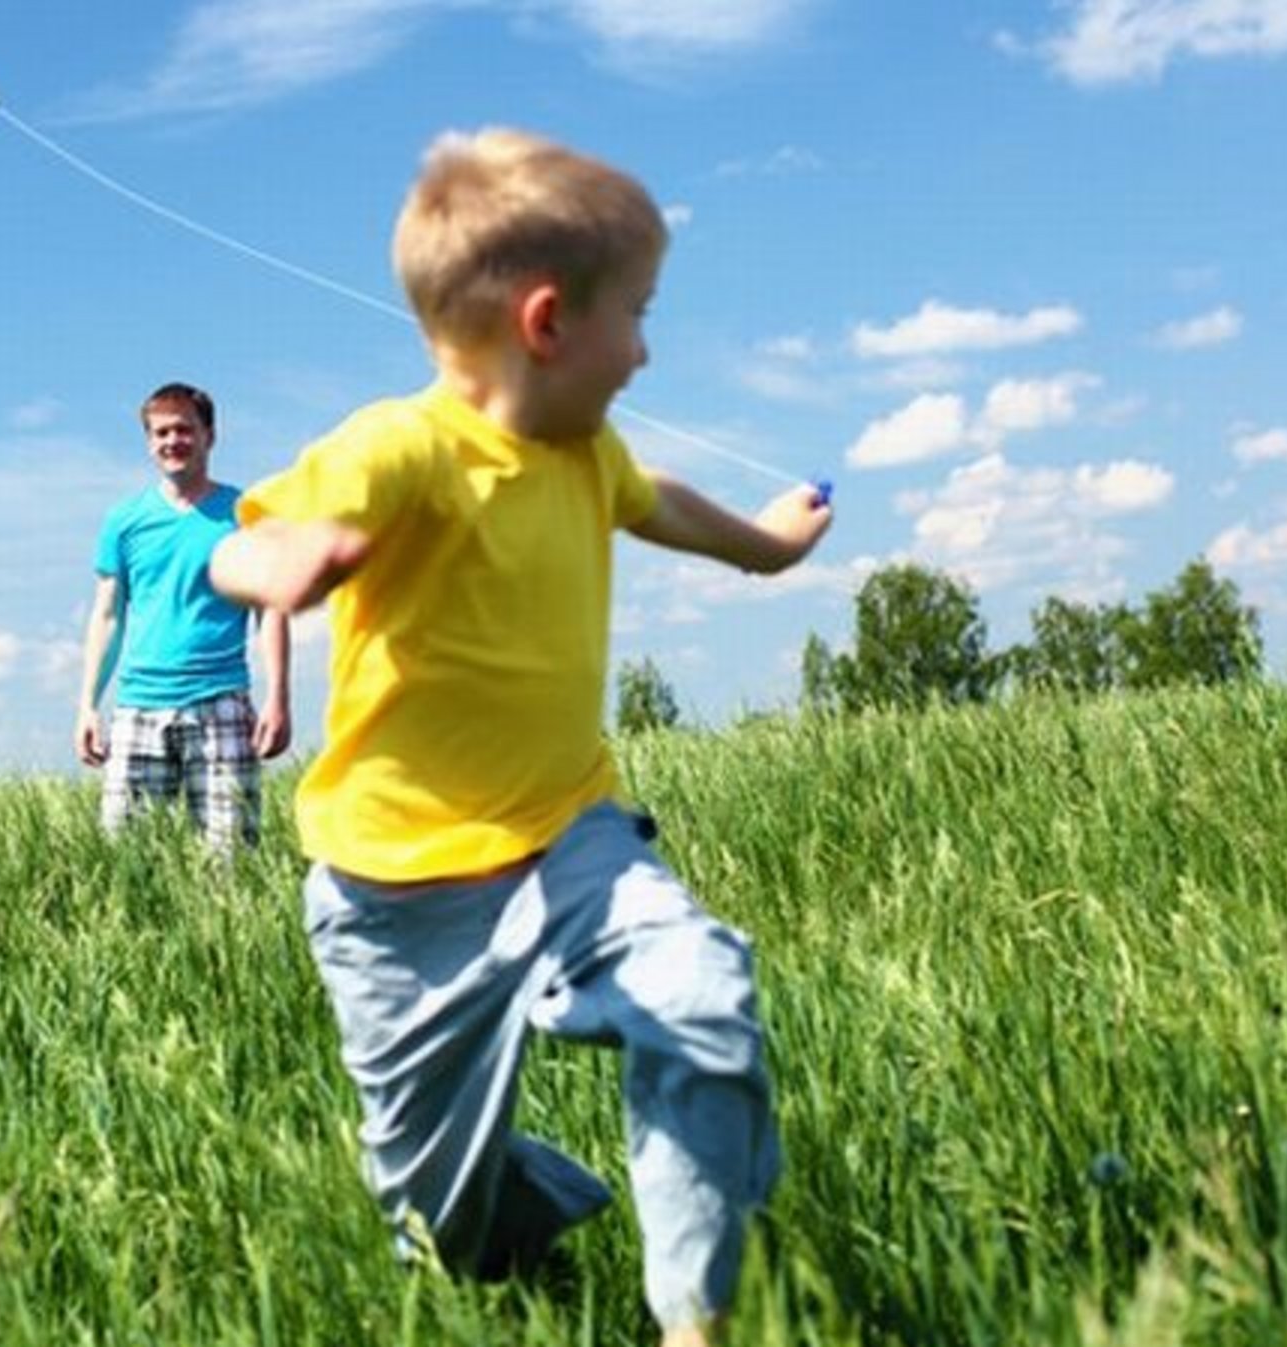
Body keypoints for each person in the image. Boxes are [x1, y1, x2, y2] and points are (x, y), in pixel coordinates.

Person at [208, 130, 832, 1346]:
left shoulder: (585, 452)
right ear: (548, 323)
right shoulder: (401, 449)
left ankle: (696, 1317)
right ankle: (530, 1219)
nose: (646, 350)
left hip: (568, 843)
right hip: (397, 899)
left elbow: (670, 507)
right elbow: (241, 538)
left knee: (705, 998)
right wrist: (279, 562)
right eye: (638, 317)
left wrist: (767, 545)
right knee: (445, 1224)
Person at [77, 382, 292, 852]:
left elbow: (270, 610)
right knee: (125, 860)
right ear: (149, 442)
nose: (173, 441)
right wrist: (89, 705)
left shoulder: (247, 514)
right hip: (138, 706)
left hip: (221, 702)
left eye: (184, 430)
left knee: (230, 858)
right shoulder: (125, 520)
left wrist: (278, 698)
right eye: (161, 433)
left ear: (209, 436)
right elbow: (107, 616)